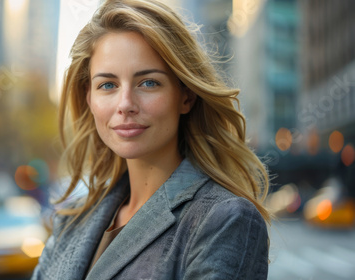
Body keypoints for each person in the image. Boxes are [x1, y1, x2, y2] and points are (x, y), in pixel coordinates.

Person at [32, 0, 270, 279]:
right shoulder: (71, 220)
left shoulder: (224, 220)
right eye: (107, 85)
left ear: (185, 95)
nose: (125, 104)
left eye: (148, 82)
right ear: (89, 98)